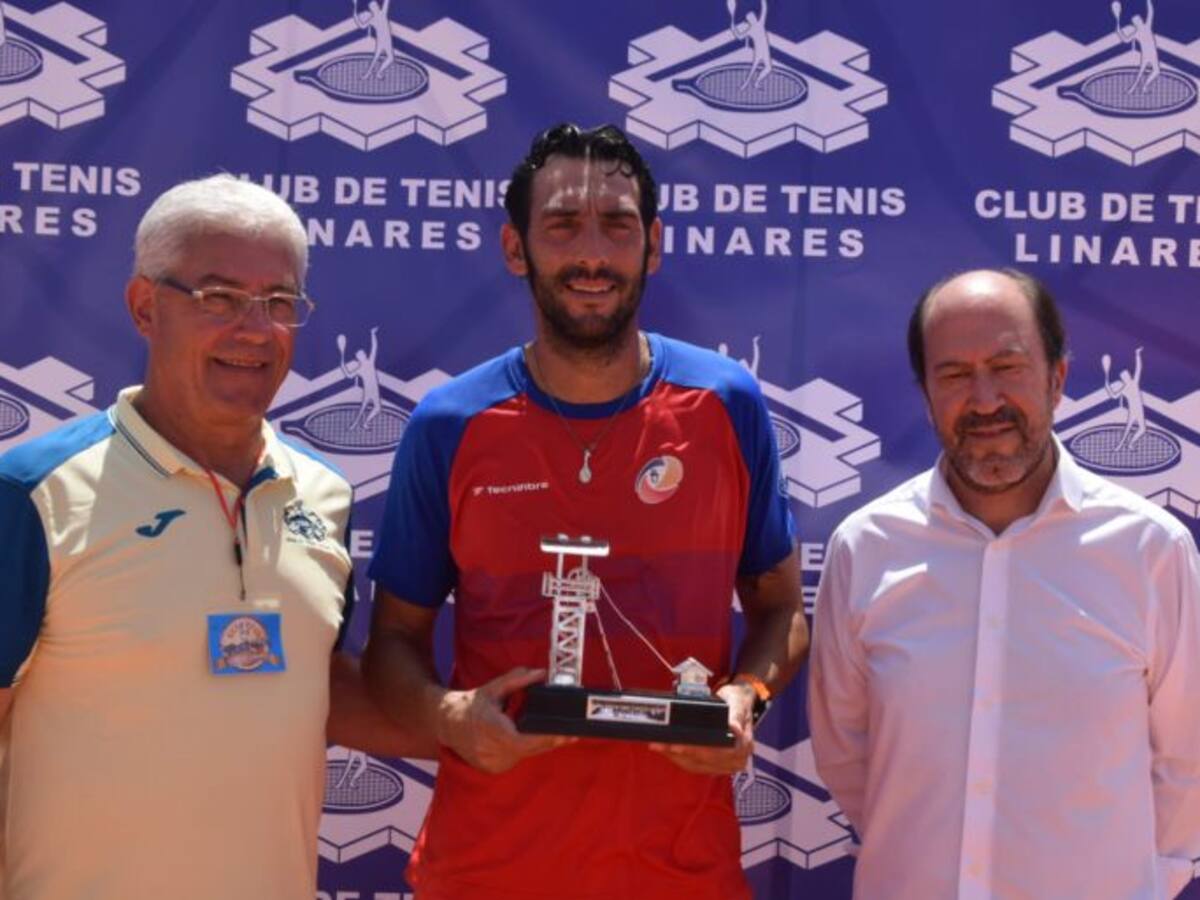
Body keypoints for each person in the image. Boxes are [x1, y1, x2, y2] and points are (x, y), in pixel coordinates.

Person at [364, 123, 807, 900]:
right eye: (563, 225)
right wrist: (449, 715)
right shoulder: (450, 423)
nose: (593, 254)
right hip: (487, 873)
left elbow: (782, 611)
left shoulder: (725, 403)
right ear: (516, 248)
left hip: (682, 875)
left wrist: (748, 698)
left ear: (654, 245)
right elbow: (392, 645)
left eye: (618, 225)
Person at [0, 174, 432, 899]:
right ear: (145, 307)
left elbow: (316, 687)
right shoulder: (34, 493)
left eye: (279, 302)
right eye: (219, 297)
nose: (255, 330)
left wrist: (473, 726)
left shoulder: (323, 494)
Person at [808, 268, 1200, 899]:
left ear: (1057, 378)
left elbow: (1188, 761)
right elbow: (847, 755)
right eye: (954, 375)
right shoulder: (865, 549)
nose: (985, 399)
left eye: (1007, 367)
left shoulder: (1150, 551)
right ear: (926, 394)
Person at [1103, 344, 1147, 450]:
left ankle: (1129, 444)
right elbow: (1114, 396)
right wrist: (1107, 387)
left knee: (1142, 429)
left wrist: (1137, 355)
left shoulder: (1133, 383)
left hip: (1138, 409)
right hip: (1134, 410)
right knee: (1128, 430)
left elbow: (1138, 368)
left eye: (1128, 374)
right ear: (1124, 378)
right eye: (1126, 375)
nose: (1128, 375)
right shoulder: (1127, 387)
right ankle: (1121, 446)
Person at [1114, 0, 1160, 93]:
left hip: (1148, 53)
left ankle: (1138, 88)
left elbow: (1125, 40)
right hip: (1151, 53)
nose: (1140, 20)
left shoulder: (1139, 31)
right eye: (1138, 19)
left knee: (1148, 72)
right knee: (1152, 71)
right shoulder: (1145, 27)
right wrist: (1119, 32)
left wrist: (1119, 32)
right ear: (1136, 23)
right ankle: (1141, 87)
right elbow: (1150, 12)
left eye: (1139, 19)